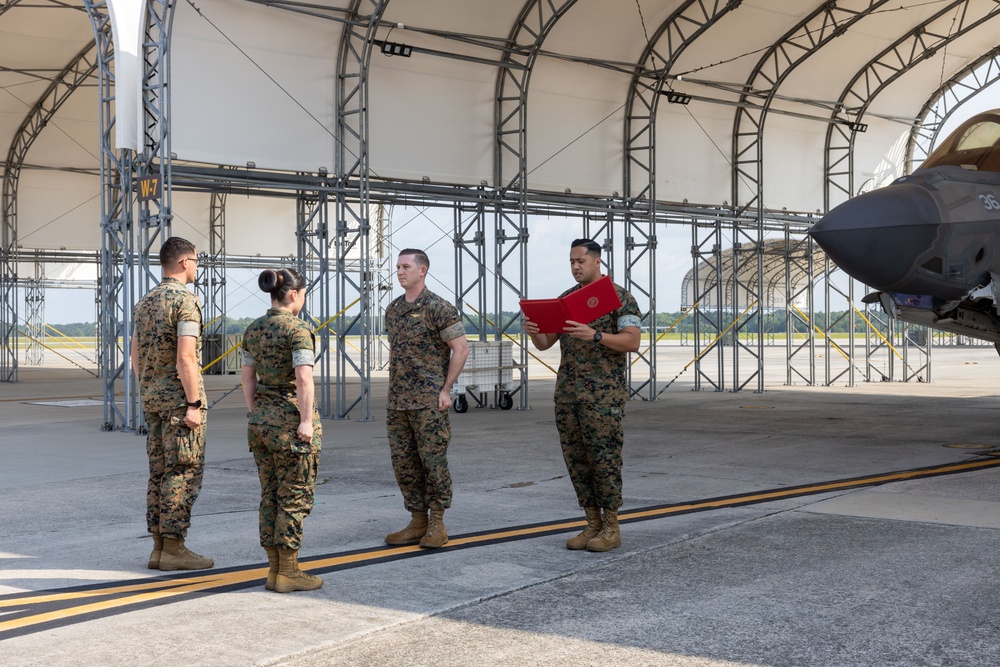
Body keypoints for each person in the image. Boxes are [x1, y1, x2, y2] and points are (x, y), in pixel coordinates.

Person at [523, 238, 641, 552]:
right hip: (568, 395)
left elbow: (632, 342)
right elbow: (546, 343)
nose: (576, 267)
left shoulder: (619, 298)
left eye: (581, 261)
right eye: (572, 262)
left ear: (597, 261)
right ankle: (592, 523)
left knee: (604, 461)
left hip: (602, 396)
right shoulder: (566, 299)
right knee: (577, 461)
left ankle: (612, 526)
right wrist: (535, 330)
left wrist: (596, 335)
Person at [131, 236, 214, 571]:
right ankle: (175, 547)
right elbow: (186, 358)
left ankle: (158, 547)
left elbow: (136, 352)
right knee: (182, 472)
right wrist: (193, 403)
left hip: (153, 400)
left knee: (159, 473)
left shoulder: (146, 302)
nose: (197, 267)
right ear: (184, 262)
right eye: (196, 261)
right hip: (180, 404)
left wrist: (149, 386)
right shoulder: (185, 301)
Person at [241, 268, 323, 593]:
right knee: (293, 496)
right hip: (291, 425)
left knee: (270, 494)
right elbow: (303, 378)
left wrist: (256, 412)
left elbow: (248, 378)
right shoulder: (299, 330)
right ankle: (288, 571)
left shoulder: (253, 329)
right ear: (293, 294)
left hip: (261, 423)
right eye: (303, 294)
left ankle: (274, 569)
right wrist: (305, 421)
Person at [383, 248, 469, 549]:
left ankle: (437, 523)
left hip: (427, 402)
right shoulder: (393, 310)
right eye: (397, 267)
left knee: (433, 462)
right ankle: (417, 520)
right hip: (398, 402)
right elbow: (395, 350)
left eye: (406, 266)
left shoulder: (438, 307)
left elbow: (461, 348)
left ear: (423, 270)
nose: (400, 271)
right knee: (404, 464)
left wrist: (446, 389)